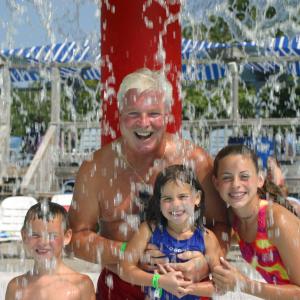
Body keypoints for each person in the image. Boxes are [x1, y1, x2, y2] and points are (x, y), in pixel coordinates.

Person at [68, 68, 228, 300]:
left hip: (186, 288)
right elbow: (76, 239)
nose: (144, 123)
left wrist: (206, 262)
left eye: (153, 113)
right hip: (121, 288)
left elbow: (222, 225)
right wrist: (128, 250)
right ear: (120, 115)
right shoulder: (96, 169)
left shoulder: (195, 161)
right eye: (134, 113)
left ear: (167, 116)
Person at [120, 164, 222, 299]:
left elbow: (220, 286)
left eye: (183, 196)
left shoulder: (207, 238)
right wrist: (159, 281)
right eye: (167, 199)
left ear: (197, 198)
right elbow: (125, 269)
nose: (176, 204)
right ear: (158, 202)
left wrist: (186, 288)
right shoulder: (148, 230)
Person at [211, 144, 300, 299]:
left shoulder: (277, 221)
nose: (236, 184)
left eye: (244, 176)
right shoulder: (234, 219)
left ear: (260, 180)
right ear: (216, 183)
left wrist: (244, 284)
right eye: (227, 177)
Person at [5, 202, 95, 300]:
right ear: (24, 236)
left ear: (66, 237)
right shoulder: (15, 287)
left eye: (52, 236)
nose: (43, 242)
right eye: (35, 235)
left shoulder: (81, 285)